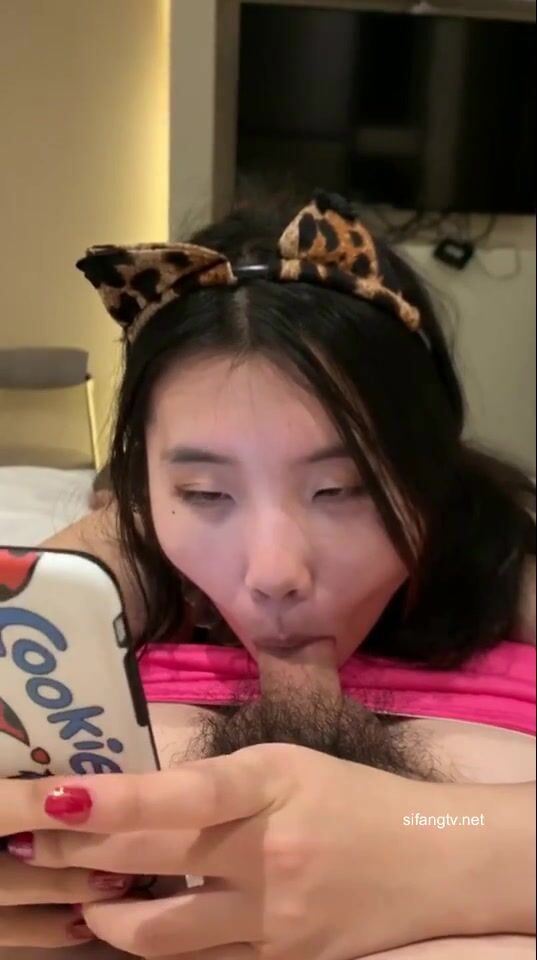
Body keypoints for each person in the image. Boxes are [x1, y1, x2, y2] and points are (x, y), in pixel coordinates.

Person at [1, 190, 535, 958]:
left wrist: (438, 843)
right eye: (203, 493)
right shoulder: (126, 580)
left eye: (342, 489)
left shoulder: (498, 575)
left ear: (430, 478)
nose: (273, 572)